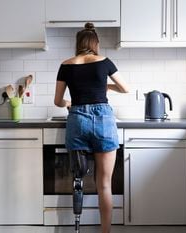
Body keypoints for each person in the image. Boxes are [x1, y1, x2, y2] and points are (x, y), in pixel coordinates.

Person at [54, 22, 129, 233]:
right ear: (96, 43)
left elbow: (58, 100)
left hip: (77, 121)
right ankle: (105, 231)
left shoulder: (66, 64)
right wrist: (104, 85)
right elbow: (125, 88)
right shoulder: (105, 62)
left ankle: (73, 226)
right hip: (104, 121)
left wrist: (69, 103)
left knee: (78, 179)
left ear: (77, 43)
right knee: (104, 184)